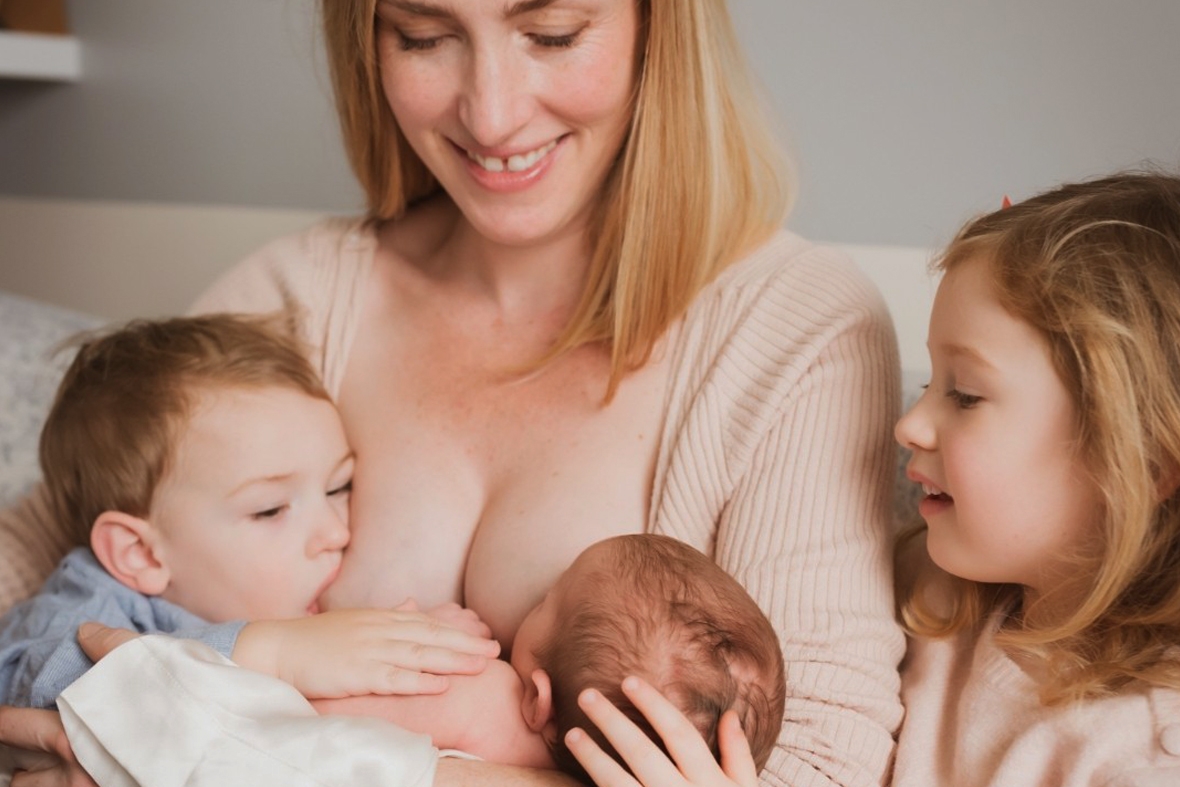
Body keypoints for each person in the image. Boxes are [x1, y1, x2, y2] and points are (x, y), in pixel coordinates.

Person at [0, 0, 905, 785]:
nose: (494, 112)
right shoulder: (298, 296)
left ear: (656, 28)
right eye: (424, 34)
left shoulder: (793, 327)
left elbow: (813, 769)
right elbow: (54, 549)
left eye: (552, 32)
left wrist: (244, 761)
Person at [0, 313, 499, 710]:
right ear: (141, 554)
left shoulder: (277, 596)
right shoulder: (89, 605)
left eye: (339, 486)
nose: (334, 532)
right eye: (270, 509)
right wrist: (273, 652)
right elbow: (33, 683)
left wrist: (412, 645)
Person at [892, 172, 1180, 786]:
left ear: (1143, 464)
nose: (910, 425)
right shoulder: (923, 596)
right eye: (927, 384)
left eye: (965, 396)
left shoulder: (1141, 756)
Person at [316, 534, 786, 779]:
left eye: (546, 600)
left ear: (537, 700)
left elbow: (308, 712)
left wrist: (417, 635)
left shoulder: (484, 697)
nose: (537, 597)